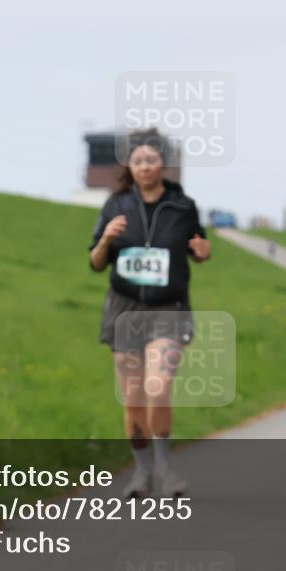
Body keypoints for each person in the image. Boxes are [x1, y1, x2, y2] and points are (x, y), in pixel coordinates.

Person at [89, 128, 211, 499]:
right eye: (138, 160)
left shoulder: (182, 206)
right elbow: (95, 263)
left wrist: (203, 250)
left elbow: (199, 250)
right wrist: (107, 239)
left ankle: (165, 467)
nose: (145, 166)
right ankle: (141, 473)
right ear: (131, 165)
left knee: (158, 386)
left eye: (152, 160)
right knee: (133, 397)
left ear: (163, 165)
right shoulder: (115, 205)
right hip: (125, 309)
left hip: (168, 309)